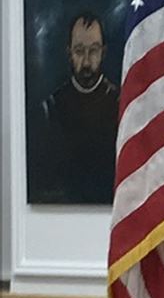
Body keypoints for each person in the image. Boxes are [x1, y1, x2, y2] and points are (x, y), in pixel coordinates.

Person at [26, 12, 120, 204]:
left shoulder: (120, 103)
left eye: (93, 51)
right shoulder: (51, 108)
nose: (86, 62)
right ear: (69, 53)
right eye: (79, 51)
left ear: (103, 52)